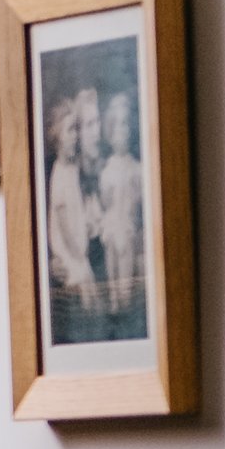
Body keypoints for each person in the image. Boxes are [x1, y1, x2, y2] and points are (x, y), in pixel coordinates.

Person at [46, 99, 95, 326]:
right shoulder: (59, 176)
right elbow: (64, 223)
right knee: (85, 294)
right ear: (57, 137)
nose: (75, 136)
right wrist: (77, 253)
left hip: (80, 250)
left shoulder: (73, 169)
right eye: (70, 130)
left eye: (76, 129)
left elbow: (80, 208)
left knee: (92, 294)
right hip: (70, 254)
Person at [95, 89, 144, 310]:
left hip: (128, 223)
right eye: (115, 126)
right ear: (109, 131)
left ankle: (124, 299)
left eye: (124, 124)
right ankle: (114, 298)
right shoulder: (107, 169)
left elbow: (139, 200)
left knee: (124, 245)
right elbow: (106, 198)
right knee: (112, 247)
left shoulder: (136, 168)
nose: (120, 132)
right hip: (112, 221)